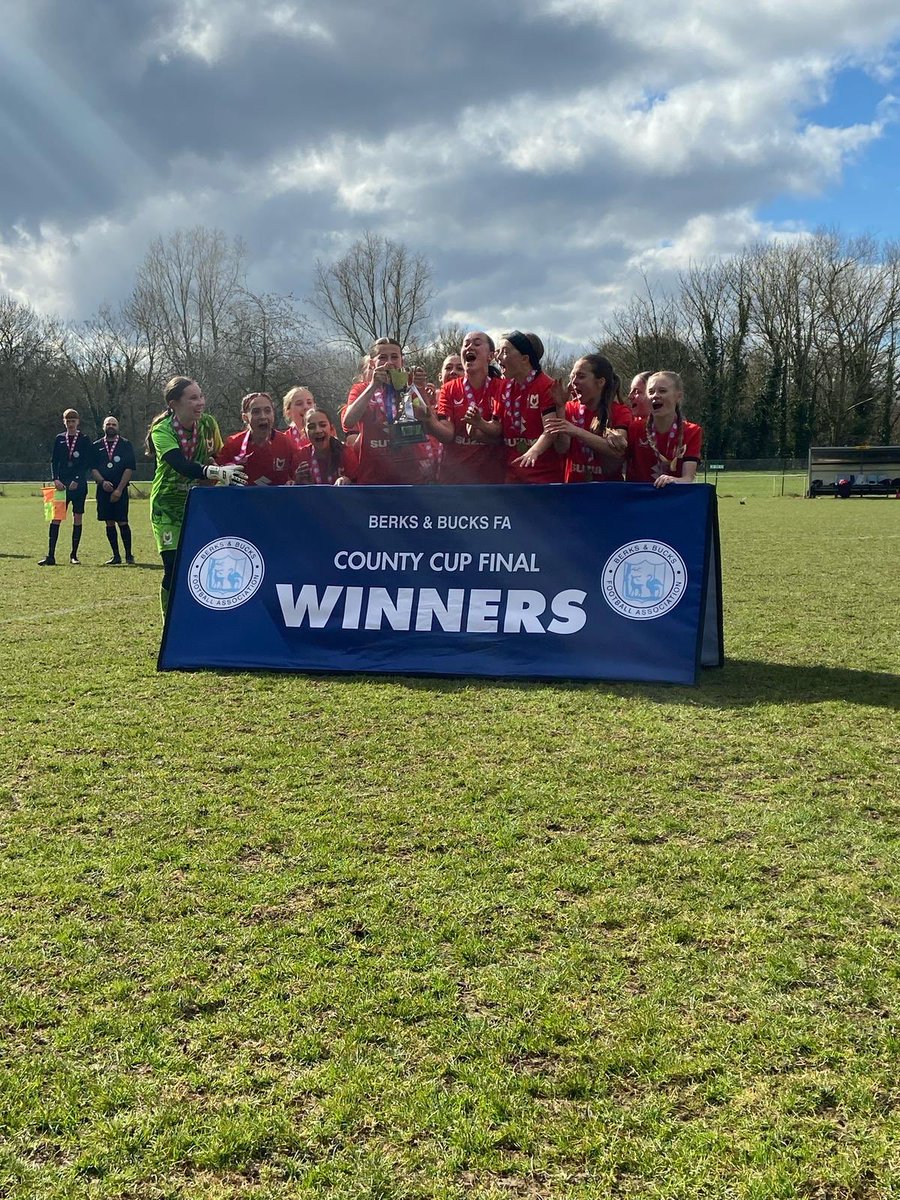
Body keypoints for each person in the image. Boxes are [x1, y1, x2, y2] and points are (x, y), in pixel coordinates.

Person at [147, 376, 246, 615]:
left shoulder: (208, 424)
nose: (200, 402)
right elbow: (179, 464)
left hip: (197, 506)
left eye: (201, 396)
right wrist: (214, 471)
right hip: (167, 508)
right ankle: (169, 622)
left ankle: (196, 617)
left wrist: (220, 468)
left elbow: (218, 456)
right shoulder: (161, 430)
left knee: (200, 565)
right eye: (193, 398)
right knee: (173, 567)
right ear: (173, 403)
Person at [466, 331, 564, 484]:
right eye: (498, 352)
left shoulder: (546, 386)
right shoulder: (504, 387)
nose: (498, 357)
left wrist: (534, 451)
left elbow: (551, 429)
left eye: (504, 352)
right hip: (513, 476)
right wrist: (479, 422)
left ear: (525, 359)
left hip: (544, 478)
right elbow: (497, 428)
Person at [341, 338, 423, 484]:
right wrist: (373, 386)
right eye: (383, 357)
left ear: (402, 361)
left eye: (394, 357)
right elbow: (348, 421)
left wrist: (418, 389)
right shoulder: (360, 389)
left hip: (409, 479)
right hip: (372, 479)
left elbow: (426, 420)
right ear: (373, 363)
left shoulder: (409, 389)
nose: (389, 362)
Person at [428, 331, 505, 484]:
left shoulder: (502, 387)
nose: (470, 347)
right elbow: (447, 434)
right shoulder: (449, 389)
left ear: (490, 356)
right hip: (455, 480)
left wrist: (480, 426)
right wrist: (428, 420)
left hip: (491, 480)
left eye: (477, 344)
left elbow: (502, 435)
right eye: (466, 344)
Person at [540, 355, 631, 483]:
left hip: (608, 493)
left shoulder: (619, 411)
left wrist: (577, 432)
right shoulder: (569, 408)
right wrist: (560, 407)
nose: (574, 382)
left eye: (581, 376)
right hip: (574, 491)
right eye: (572, 377)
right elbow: (562, 447)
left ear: (600, 382)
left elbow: (618, 450)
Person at [626, 370, 702, 487]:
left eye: (662, 391)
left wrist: (672, 480)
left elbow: (688, 478)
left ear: (678, 396)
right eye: (651, 392)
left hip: (671, 500)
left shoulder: (692, 431)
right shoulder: (635, 429)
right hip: (639, 500)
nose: (655, 395)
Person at [39, 409, 93, 565]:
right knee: (55, 518)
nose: (70, 424)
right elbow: (54, 461)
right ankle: (50, 556)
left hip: (78, 485)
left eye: (73, 421)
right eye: (68, 421)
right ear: (64, 422)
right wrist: (55, 479)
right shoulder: (59, 439)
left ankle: (74, 555)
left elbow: (86, 463)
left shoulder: (84, 439)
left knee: (77, 517)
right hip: (60, 485)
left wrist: (77, 479)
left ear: (78, 421)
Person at [217, 392, 302, 485]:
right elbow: (216, 479)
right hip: (244, 498)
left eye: (267, 411)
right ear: (245, 417)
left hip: (278, 498)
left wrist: (295, 481)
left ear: (273, 414)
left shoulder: (285, 443)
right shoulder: (234, 444)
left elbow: (298, 476)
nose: (263, 416)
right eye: (256, 412)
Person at [91, 415, 137, 564]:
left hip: (120, 490)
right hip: (103, 491)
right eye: (108, 424)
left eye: (114, 424)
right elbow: (93, 468)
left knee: (122, 521)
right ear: (103, 427)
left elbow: (129, 468)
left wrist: (119, 490)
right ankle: (116, 556)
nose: (111, 426)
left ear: (118, 427)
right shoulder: (96, 445)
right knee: (109, 522)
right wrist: (102, 482)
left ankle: (129, 555)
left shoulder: (125, 445)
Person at [295, 409, 356, 484]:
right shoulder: (300, 457)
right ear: (304, 432)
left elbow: (358, 486)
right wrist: (297, 482)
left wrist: (347, 481)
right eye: (311, 427)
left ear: (331, 429)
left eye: (323, 425)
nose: (318, 430)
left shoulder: (346, 453)